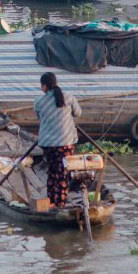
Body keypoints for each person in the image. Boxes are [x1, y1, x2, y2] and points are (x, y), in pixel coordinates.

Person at [34, 71, 82, 207]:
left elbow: (39, 117)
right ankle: (60, 203)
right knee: (63, 174)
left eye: (41, 86)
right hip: (65, 144)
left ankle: (52, 201)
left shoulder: (38, 101)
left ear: (44, 86)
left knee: (52, 172)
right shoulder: (68, 97)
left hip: (47, 144)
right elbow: (78, 113)